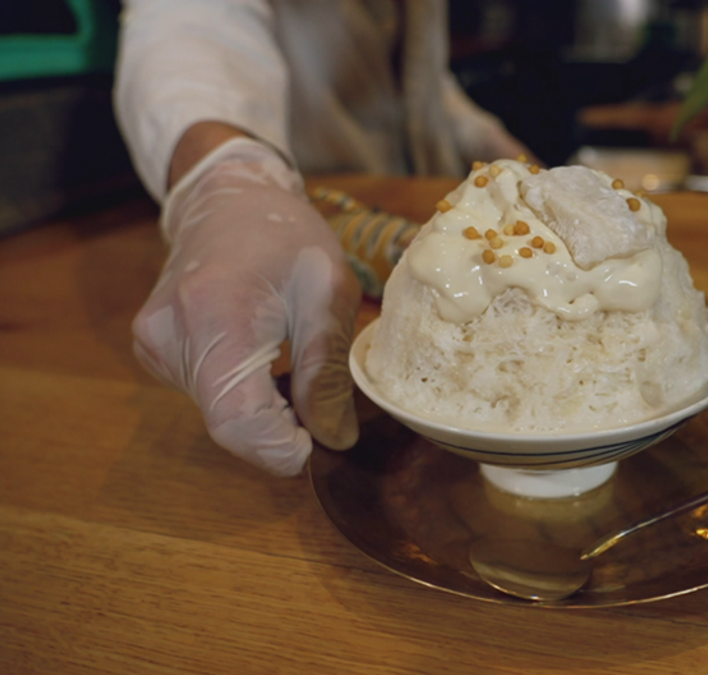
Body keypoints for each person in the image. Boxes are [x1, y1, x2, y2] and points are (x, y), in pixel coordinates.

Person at [114, 0, 530, 477]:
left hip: (413, 198)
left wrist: (492, 143)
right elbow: (189, 21)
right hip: (305, 213)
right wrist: (226, 177)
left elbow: (421, 76)